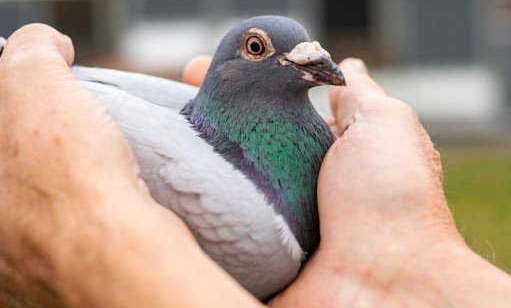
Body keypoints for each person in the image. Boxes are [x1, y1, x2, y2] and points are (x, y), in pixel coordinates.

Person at [0, 24, 510, 308]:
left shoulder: (267, 224)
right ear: (232, 69)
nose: (301, 62)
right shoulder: (264, 237)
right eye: (257, 49)